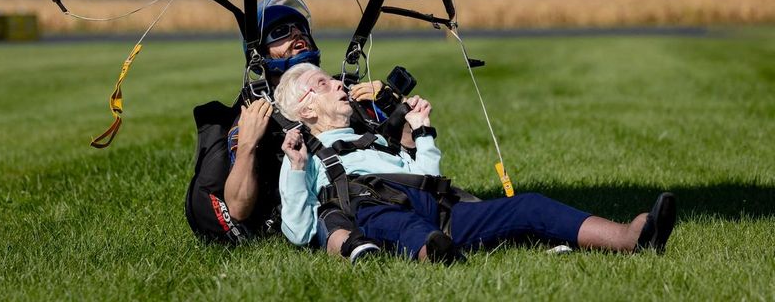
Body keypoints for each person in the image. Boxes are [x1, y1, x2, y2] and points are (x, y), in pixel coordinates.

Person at [275, 63, 677, 262]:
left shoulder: (376, 137)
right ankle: (439, 257)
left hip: (436, 209)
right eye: (322, 84)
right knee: (402, 225)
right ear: (305, 109)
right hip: (375, 211)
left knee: (530, 204)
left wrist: (423, 130)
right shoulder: (304, 152)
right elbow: (297, 230)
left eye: (334, 79)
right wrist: (295, 168)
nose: (339, 84)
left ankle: (629, 238)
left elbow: (428, 179)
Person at [223, 0, 382, 261]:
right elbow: (237, 209)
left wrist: (388, 105)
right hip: (323, 215)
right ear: (260, 54)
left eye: (301, 29)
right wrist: (247, 146)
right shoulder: (255, 113)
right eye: (281, 32)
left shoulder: (343, 94)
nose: (296, 34)